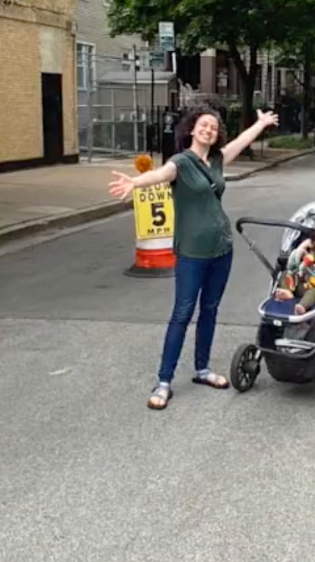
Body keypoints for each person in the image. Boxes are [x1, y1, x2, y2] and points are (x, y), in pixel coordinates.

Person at [109, 106, 279, 410]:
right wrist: (135, 183)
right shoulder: (180, 163)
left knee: (210, 309)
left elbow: (240, 142)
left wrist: (261, 124)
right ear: (191, 129)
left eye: (213, 127)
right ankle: (164, 381)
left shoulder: (216, 159)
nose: (208, 130)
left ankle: (202, 369)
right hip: (192, 252)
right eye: (204, 125)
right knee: (182, 313)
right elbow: (160, 175)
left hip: (222, 248)